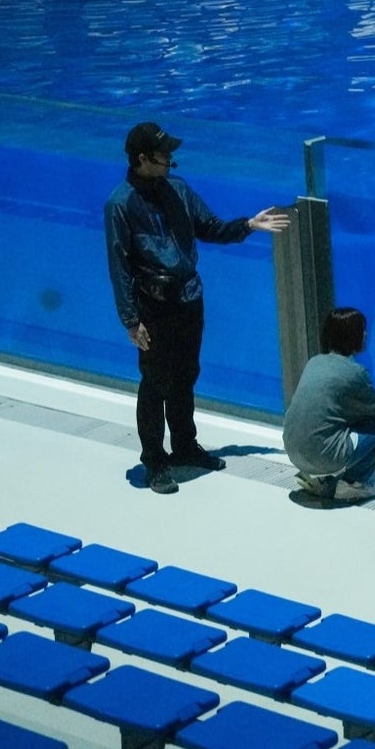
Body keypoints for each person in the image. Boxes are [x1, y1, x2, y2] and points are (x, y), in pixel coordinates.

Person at [104, 121, 289, 495]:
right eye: (163, 155)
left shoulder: (179, 189)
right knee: (155, 383)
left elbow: (209, 227)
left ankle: (185, 445)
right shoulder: (120, 205)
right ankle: (154, 459)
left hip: (189, 299)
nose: (171, 159)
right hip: (153, 307)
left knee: (186, 375)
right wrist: (130, 319)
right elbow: (119, 264)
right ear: (142, 159)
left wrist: (248, 225)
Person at [283, 307, 375, 503]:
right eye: (361, 330)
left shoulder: (314, 362)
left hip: (293, 451)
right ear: (352, 336)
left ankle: (323, 478)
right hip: (322, 456)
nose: (366, 334)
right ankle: (354, 483)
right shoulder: (355, 372)